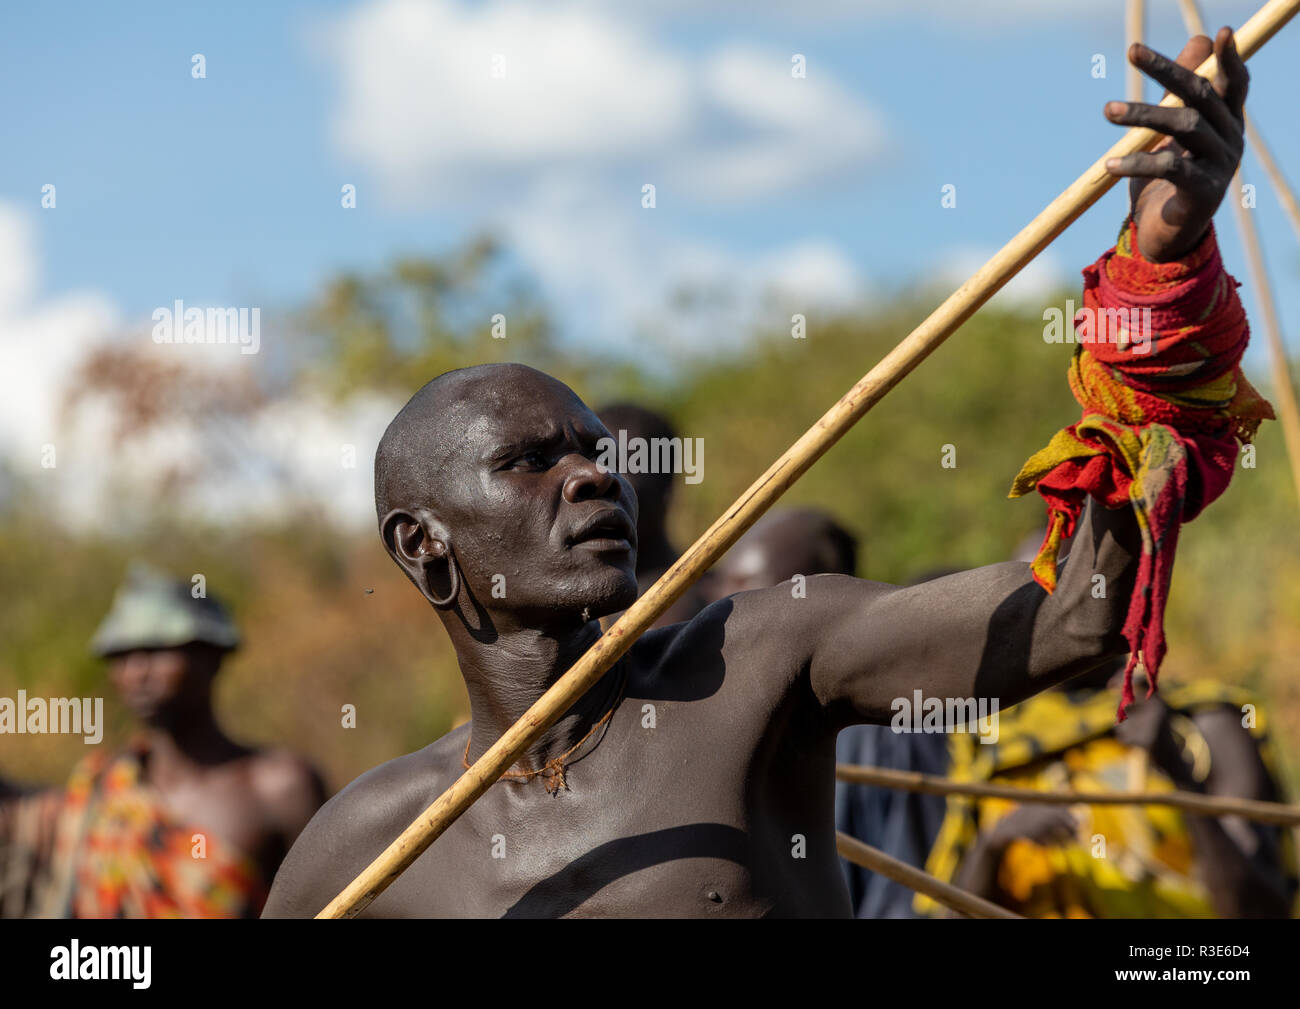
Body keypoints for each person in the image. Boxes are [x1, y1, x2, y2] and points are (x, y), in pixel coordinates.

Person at [265, 30, 1263, 918]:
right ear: (422, 545)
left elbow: (1078, 617)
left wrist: (1152, 282)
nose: (591, 479)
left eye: (593, 454)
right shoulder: (369, 852)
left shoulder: (759, 658)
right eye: (530, 462)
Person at [7, 564, 326, 918]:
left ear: (213, 657)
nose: (137, 671)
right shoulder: (101, 787)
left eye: (158, 650)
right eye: (121, 656)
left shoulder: (279, 787)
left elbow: (339, 905)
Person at [940, 662, 1297, 918]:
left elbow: (1258, 910)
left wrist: (1176, 770)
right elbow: (952, 911)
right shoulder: (994, 746)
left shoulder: (1199, 724)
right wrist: (994, 843)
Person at [596, 402, 712, 627]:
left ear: (666, 485)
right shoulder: (564, 607)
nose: (597, 480)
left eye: (622, 465)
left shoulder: (712, 601)